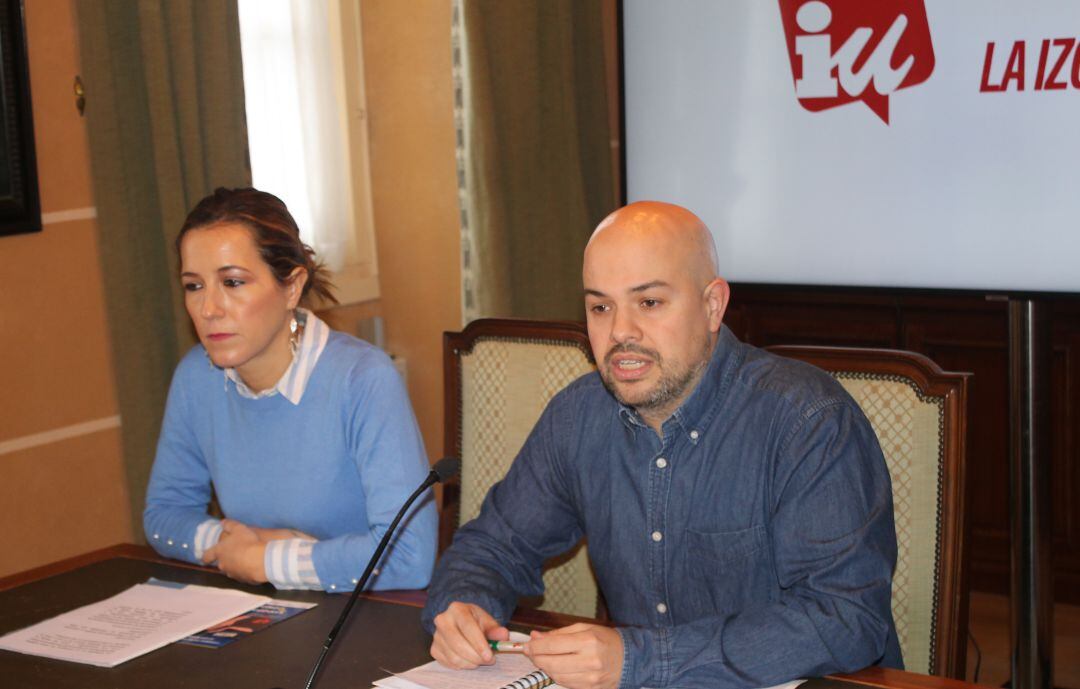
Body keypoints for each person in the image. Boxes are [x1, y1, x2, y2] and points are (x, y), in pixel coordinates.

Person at [421, 201, 903, 689]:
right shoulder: (578, 415)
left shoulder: (807, 419)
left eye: (649, 302)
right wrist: (465, 606)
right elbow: (494, 546)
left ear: (713, 305)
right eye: (600, 307)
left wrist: (640, 659)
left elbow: (845, 618)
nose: (620, 332)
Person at [144, 187, 437, 592]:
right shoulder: (196, 377)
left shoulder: (362, 379)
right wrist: (242, 547)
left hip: (366, 618)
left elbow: (409, 556)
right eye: (194, 286)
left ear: (292, 287)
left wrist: (269, 561)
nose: (209, 308)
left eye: (232, 282)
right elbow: (163, 516)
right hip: (261, 611)